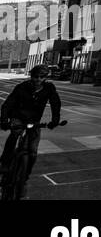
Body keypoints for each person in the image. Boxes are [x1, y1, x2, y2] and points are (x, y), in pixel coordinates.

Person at [0, 65, 63, 200]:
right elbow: (7, 104)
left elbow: (55, 103)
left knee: (33, 151)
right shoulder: (22, 87)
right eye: (35, 77)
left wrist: (55, 120)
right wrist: (4, 120)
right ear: (31, 76)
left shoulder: (49, 88)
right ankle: (4, 165)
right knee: (15, 135)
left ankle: (24, 176)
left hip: (34, 121)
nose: (38, 80)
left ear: (45, 78)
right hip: (18, 117)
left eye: (41, 77)